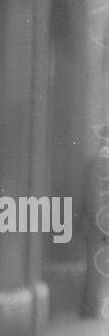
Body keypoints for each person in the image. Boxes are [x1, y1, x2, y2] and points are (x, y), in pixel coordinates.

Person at [78, 124, 109, 320]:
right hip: (98, 226)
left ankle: (94, 306)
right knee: (95, 270)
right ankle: (90, 308)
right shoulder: (98, 163)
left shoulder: (97, 162)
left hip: (100, 226)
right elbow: (93, 197)